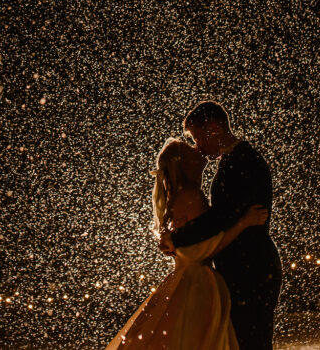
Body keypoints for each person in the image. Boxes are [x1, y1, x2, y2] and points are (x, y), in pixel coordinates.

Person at [103, 137, 268, 350]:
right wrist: (243, 223)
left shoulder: (175, 196)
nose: (197, 149)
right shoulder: (191, 195)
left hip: (183, 280)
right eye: (191, 149)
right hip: (198, 284)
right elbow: (198, 250)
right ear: (185, 163)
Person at [161, 101, 283, 350]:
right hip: (244, 269)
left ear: (214, 127)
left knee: (252, 342)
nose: (198, 147)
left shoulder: (243, 162)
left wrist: (178, 237)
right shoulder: (232, 161)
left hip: (252, 271)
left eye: (198, 137)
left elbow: (221, 217)